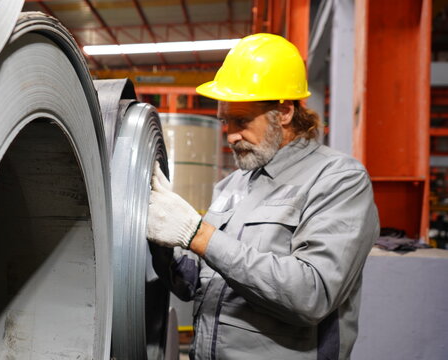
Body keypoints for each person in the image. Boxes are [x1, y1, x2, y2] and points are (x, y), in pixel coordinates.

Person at [147, 33, 379, 360]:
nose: (230, 136)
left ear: (284, 112)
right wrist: (162, 235)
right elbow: (195, 285)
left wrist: (198, 235)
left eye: (242, 121)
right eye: (226, 121)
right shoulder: (233, 185)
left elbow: (311, 294)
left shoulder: (339, 180)